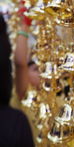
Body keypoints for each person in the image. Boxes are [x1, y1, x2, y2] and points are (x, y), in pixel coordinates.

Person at [0, 13, 34, 147]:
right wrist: (24, 26)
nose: (43, 73)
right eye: (36, 70)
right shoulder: (24, 96)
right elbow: (20, 62)